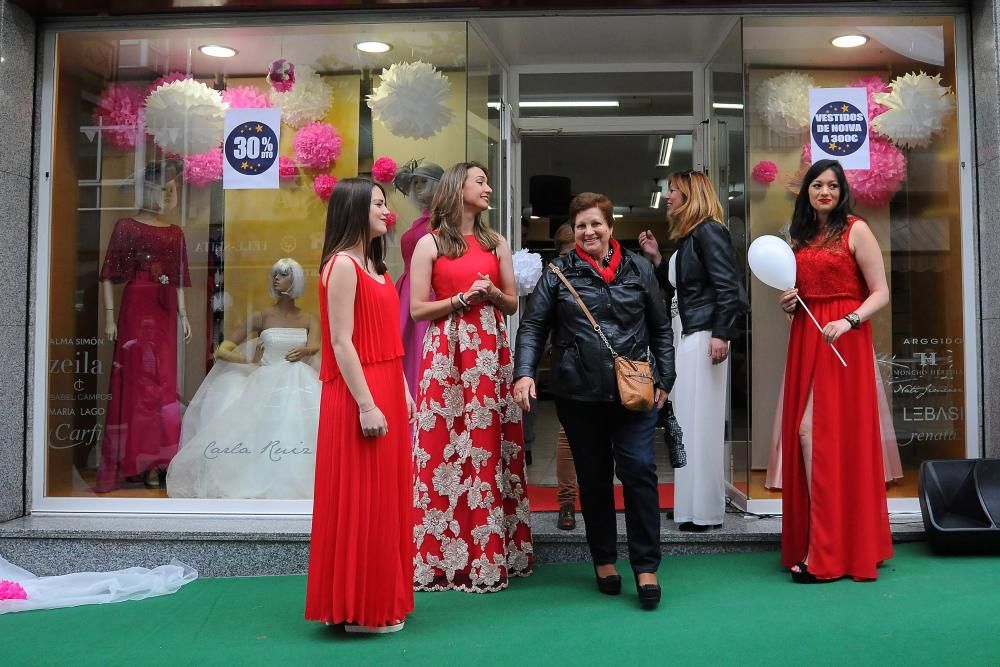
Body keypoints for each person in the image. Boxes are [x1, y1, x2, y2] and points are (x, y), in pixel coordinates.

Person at [514, 192, 675, 610]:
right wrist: (525, 373)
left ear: (610, 227)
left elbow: (660, 328)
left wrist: (666, 378)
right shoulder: (557, 274)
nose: (589, 232)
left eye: (595, 224)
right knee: (594, 478)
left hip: (633, 392)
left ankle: (645, 565)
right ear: (574, 231)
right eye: (581, 225)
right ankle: (604, 558)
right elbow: (532, 327)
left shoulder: (639, 268)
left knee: (639, 471)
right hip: (578, 393)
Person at [409, 161, 533, 593]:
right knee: (443, 448)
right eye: (480, 181)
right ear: (457, 187)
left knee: (487, 446)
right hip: (446, 354)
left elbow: (513, 304)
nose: (489, 188)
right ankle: (444, 561)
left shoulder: (495, 241)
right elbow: (417, 309)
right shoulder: (430, 243)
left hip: (489, 353)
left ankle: (492, 556)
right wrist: (460, 298)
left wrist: (493, 293)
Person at [305, 179, 415, 632]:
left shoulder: (377, 267)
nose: (385, 210)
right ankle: (360, 609)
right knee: (362, 500)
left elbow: (387, 340)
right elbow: (340, 342)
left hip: (385, 385)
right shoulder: (342, 267)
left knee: (383, 499)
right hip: (358, 394)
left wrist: (402, 390)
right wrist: (368, 405)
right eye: (377, 203)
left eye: (385, 203)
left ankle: (369, 600)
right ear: (353, 209)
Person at [777, 159, 893, 582]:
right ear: (806, 191)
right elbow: (802, 301)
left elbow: (881, 292)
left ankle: (827, 552)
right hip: (808, 337)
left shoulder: (856, 229)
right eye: (817, 184)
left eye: (832, 185)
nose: (824, 191)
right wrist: (790, 305)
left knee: (820, 436)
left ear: (842, 191)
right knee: (807, 434)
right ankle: (822, 542)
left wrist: (850, 321)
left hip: (845, 337)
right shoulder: (800, 237)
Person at [639, 170, 748, 532]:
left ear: (690, 195)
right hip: (688, 335)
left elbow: (729, 288)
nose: (667, 195)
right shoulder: (691, 237)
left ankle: (704, 511)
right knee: (687, 424)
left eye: (673, 190)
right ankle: (691, 506)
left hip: (703, 337)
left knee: (700, 424)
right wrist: (657, 260)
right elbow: (679, 290)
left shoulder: (709, 232)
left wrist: (721, 333)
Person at [166, 258, 321, 499]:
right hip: (265, 380)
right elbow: (222, 349)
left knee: (299, 428)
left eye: (283, 274)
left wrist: (305, 350)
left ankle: (299, 483)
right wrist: (248, 362)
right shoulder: (262, 317)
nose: (276, 279)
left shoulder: (309, 318)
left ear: (296, 280)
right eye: (275, 275)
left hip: (299, 382)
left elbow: (314, 345)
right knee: (261, 431)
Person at [96, 160, 191, 493]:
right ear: (148, 190)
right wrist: (109, 317)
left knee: (163, 385)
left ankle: (157, 462)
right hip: (136, 307)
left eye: (172, 190)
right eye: (162, 189)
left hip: (164, 312)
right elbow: (108, 275)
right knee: (136, 384)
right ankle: (135, 462)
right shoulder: (127, 227)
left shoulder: (175, 233)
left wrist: (183, 314)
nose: (167, 196)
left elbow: (178, 278)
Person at [392, 160, 444, 399]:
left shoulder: (445, 222)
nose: (419, 188)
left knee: (424, 349)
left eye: (424, 182)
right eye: (415, 183)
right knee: (407, 351)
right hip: (406, 290)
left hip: (430, 290)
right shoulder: (423, 221)